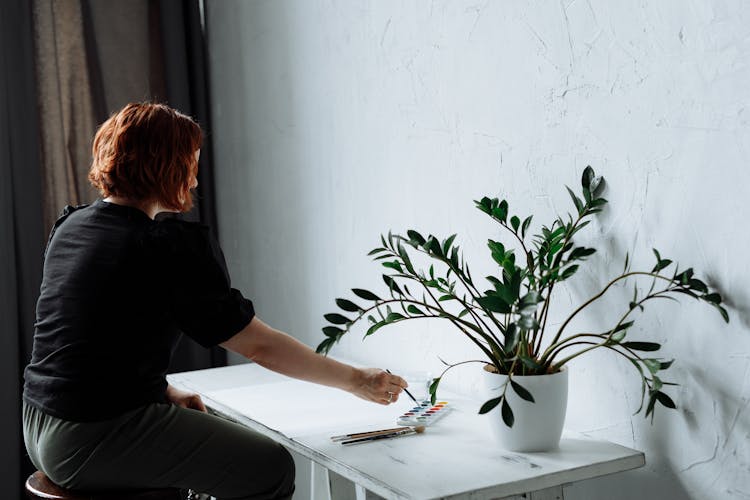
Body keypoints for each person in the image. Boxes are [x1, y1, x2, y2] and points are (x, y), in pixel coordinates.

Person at [22, 102, 408, 500]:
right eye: (190, 164)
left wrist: (163, 393)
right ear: (166, 166)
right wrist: (358, 380)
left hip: (38, 424)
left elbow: (86, 346)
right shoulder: (163, 245)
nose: (192, 181)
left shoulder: (73, 225)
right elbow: (260, 346)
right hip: (91, 437)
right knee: (270, 467)